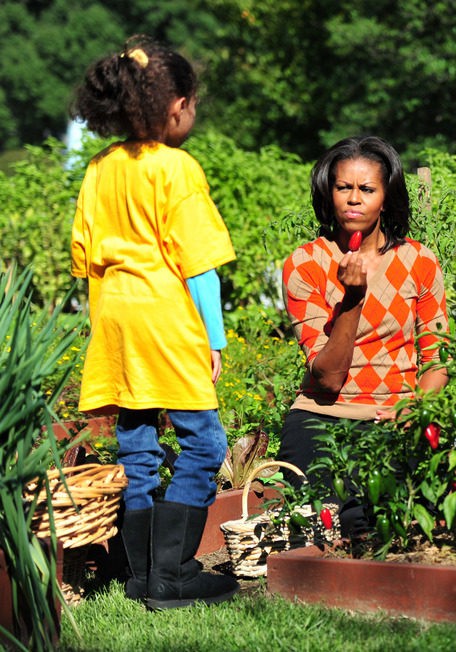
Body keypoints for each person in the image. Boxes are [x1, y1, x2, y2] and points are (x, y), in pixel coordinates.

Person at [69, 35, 239, 609]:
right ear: (176, 107)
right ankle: (174, 576)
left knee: (137, 446)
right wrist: (213, 338)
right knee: (204, 441)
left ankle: (140, 575)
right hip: (166, 321)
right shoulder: (176, 169)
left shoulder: (98, 168)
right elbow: (202, 267)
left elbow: (87, 261)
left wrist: (106, 329)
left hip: (116, 320)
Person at [278, 135, 450, 539]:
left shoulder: (419, 262)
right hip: (322, 417)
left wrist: (417, 409)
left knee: (388, 522)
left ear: (386, 198)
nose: (354, 199)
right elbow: (328, 378)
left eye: (367, 189)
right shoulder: (305, 264)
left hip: (396, 418)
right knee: (315, 525)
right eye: (344, 188)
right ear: (328, 192)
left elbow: (438, 357)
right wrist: (352, 299)